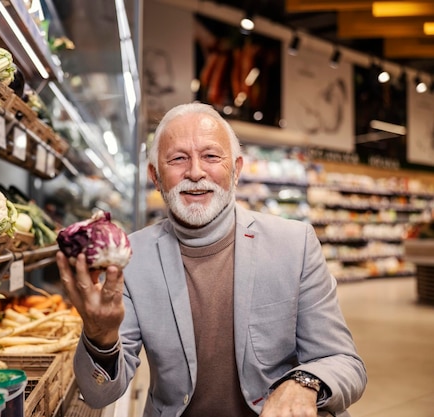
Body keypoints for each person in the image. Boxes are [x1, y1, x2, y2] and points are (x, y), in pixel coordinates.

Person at [56, 102, 367, 417]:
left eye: (211, 156)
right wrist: (101, 337)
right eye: (178, 158)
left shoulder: (294, 244)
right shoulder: (132, 259)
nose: (195, 172)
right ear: (155, 176)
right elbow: (98, 394)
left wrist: (304, 382)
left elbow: (345, 363)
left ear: (236, 170)